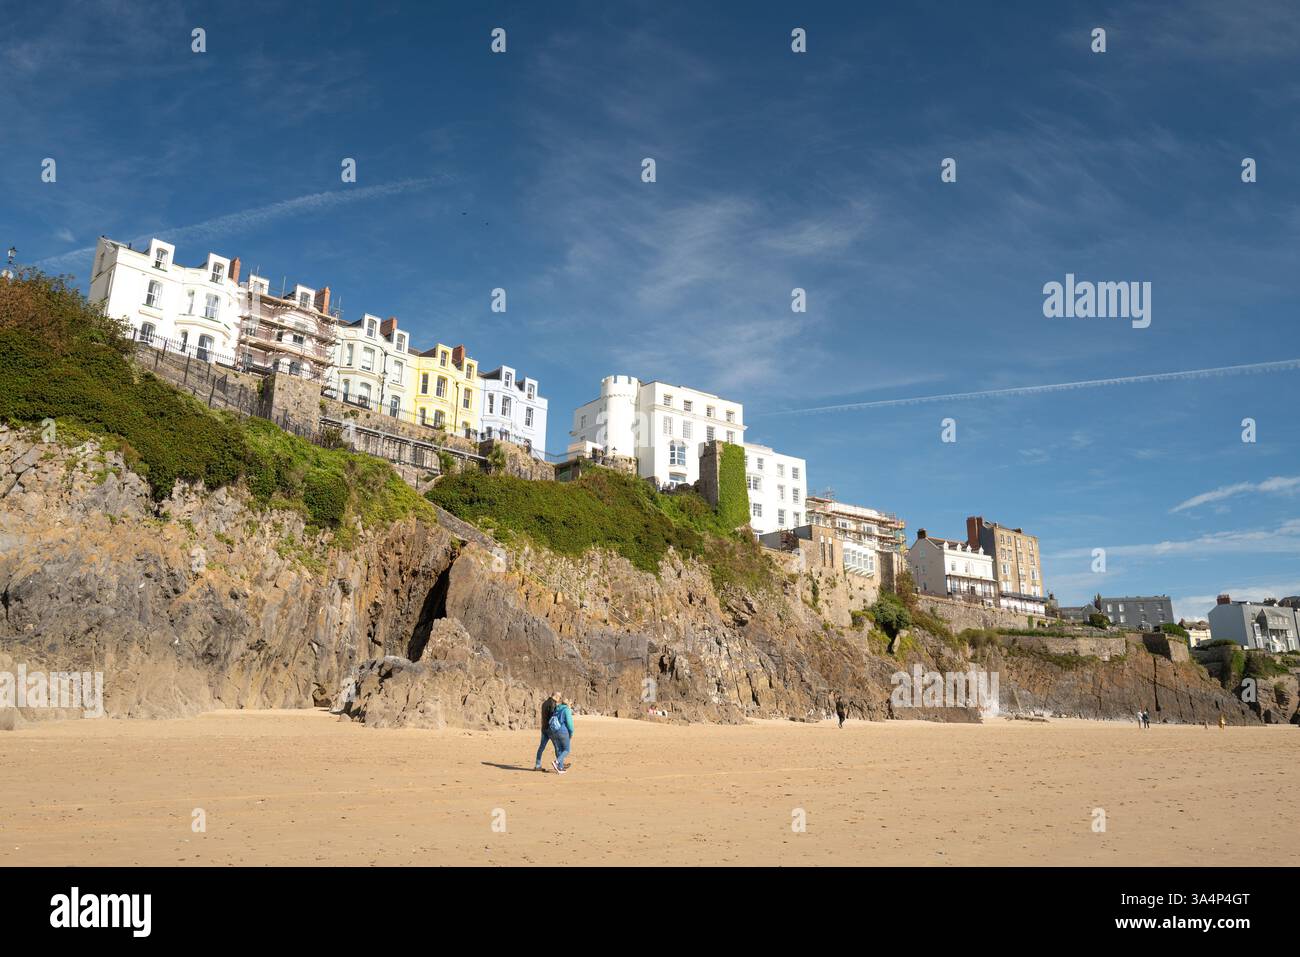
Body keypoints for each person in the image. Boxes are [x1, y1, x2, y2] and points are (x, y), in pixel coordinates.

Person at [548, 695, 575, 774]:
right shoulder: (566, 710)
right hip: (563, 732)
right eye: (571, 704)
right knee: (566, 750)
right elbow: (570, 724)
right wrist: (571, 732)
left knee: (559, 750)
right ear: (568, 704)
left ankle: (560, 767)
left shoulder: (557, 708)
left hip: (554, 731)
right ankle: (556, 762)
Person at [534, 692, 560, 771]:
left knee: (541, 747)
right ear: (556, 696)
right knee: (557, 747)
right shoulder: (553, 703)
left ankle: (537, 765)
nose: (559, 699)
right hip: (550, 729)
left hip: (544, 728)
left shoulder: (544, 703)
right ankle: (559, 765)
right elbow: (553, 717)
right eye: (559, 697)